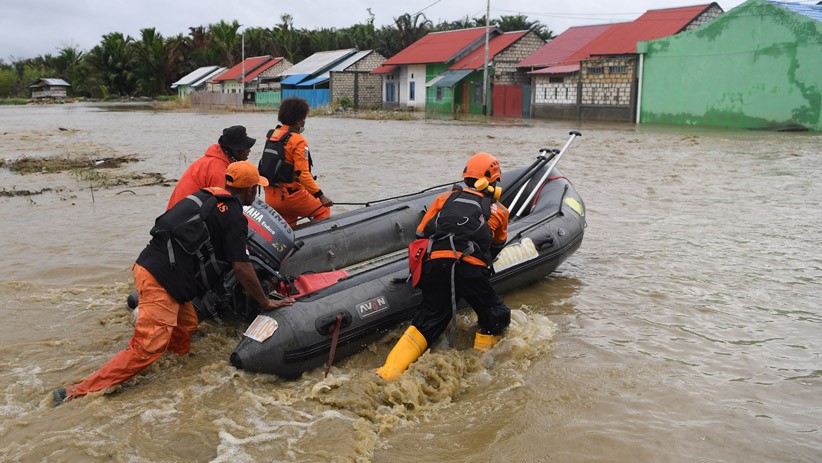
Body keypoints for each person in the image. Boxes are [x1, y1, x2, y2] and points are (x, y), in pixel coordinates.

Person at [53, 162, 294, 404]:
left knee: (187, 323)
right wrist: (264, 302)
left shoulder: (207, 195)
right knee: (146, 348)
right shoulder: (233, 217)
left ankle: (175, 365)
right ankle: (76, 392)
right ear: (251, 190)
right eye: (257, 189)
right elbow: (241, 266)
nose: (257, 193)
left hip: (148, 265)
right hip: (162, 281)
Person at [376, 153, 511, 380]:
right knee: (495, 315)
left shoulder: (444, 199)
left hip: (435, 264)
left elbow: (421, 232)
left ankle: (388, 371)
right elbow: (496, 246)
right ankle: (477, 369)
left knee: (428, 319)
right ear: (493, 183)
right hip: (469, 267)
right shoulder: (500, 211)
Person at [261, 97, 333, 226]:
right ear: (299, 120)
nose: (304, 123)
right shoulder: (298, 140)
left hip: (271, 196)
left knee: (289, 221)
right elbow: (302, 174)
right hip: (291, 196)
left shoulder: (272, 135)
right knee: (322, 209)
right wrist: (321, 196)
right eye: (304, 119)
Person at [166, 125, 256, 210]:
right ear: (236, 150)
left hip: (178, 213)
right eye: (247, 148)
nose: (249, 151)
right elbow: (224, 207)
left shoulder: (215, 160)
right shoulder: (219, 170)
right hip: (184, 219)